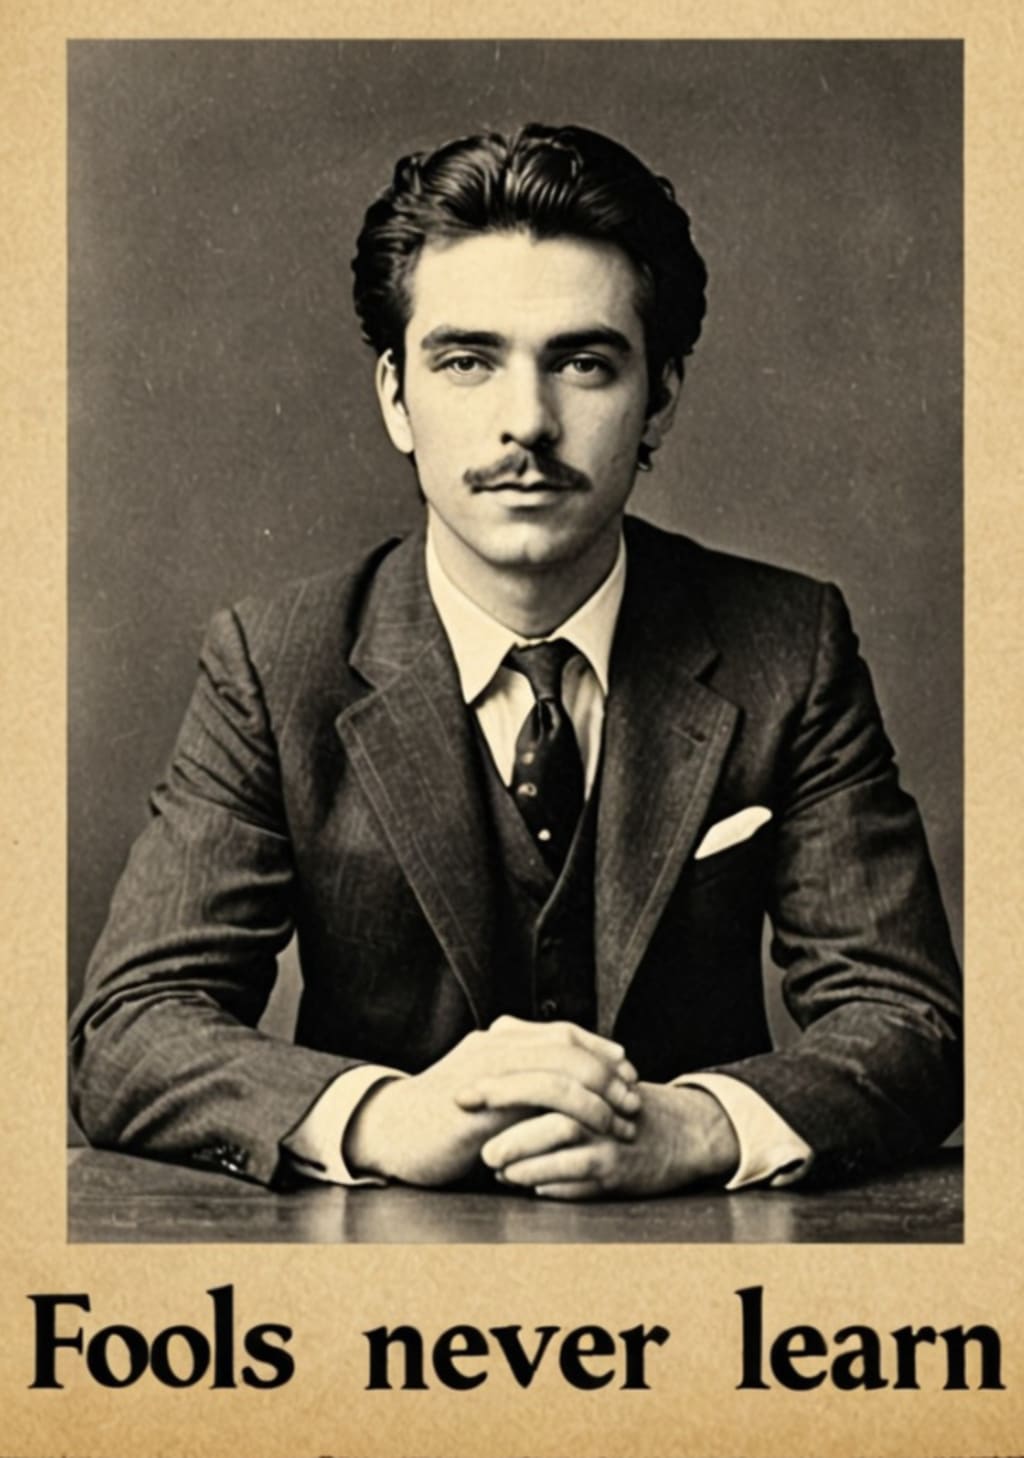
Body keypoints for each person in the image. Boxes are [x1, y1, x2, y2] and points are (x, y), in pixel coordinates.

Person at [69, 123, 962, 1202]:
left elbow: (908, 1017)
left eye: (583, 363)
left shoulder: (789, 645)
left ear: (661, 395)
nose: (527, 423)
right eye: (466, 362)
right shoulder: (275, 663)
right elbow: (131, 1027)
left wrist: (694, 1127)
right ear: (396, 397)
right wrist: (387, 1118)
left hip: (701, 1261)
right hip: (370, 1273)